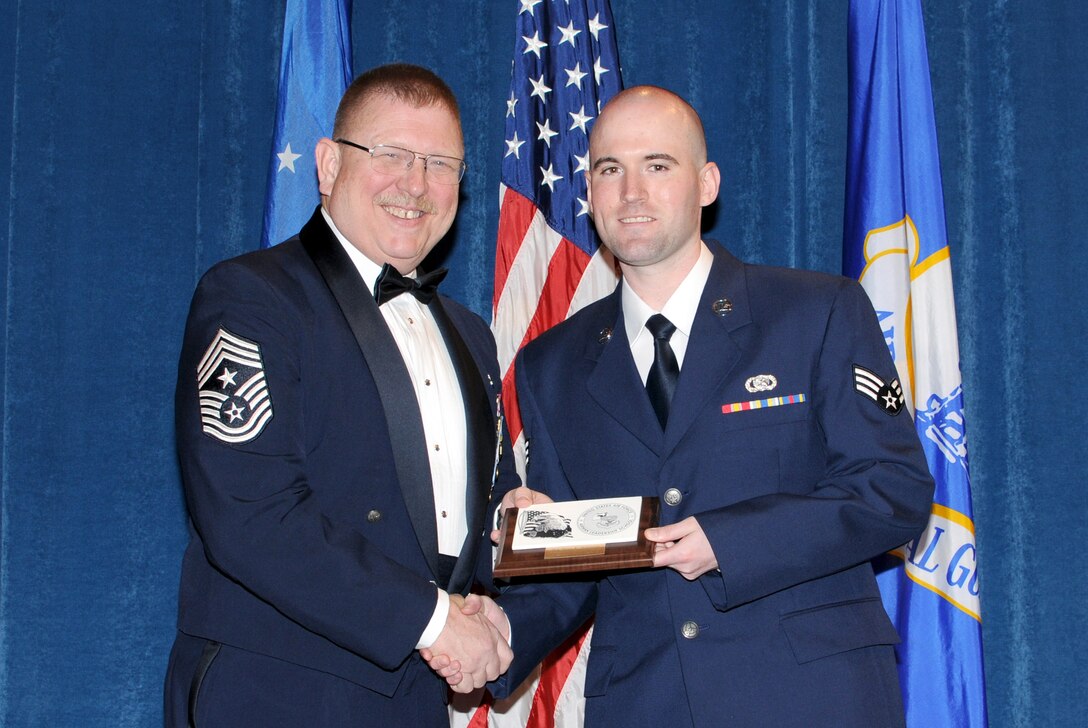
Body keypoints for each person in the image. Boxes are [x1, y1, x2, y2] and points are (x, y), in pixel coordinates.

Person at [430, 85, 935, 726]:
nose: (631, 192)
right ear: (588, 190)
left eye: (657, 165)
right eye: (610, 169)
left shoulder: (815, 313)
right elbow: (581, 552)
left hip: (808, 699)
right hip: (645, 702)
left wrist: (728, 541)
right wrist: (500, 627)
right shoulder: (551, 365)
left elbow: (894, 490)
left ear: (707, 182)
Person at [164, 63, 518, 727]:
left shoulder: (470, 336)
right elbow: (252, 517)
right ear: (327, 165)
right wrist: (436, 620)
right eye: (389, 155)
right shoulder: (251, 300)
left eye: (441, 163)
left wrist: (511, 541)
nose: (415, 185)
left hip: (413, 695)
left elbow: (473, 518)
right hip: (277, 691)